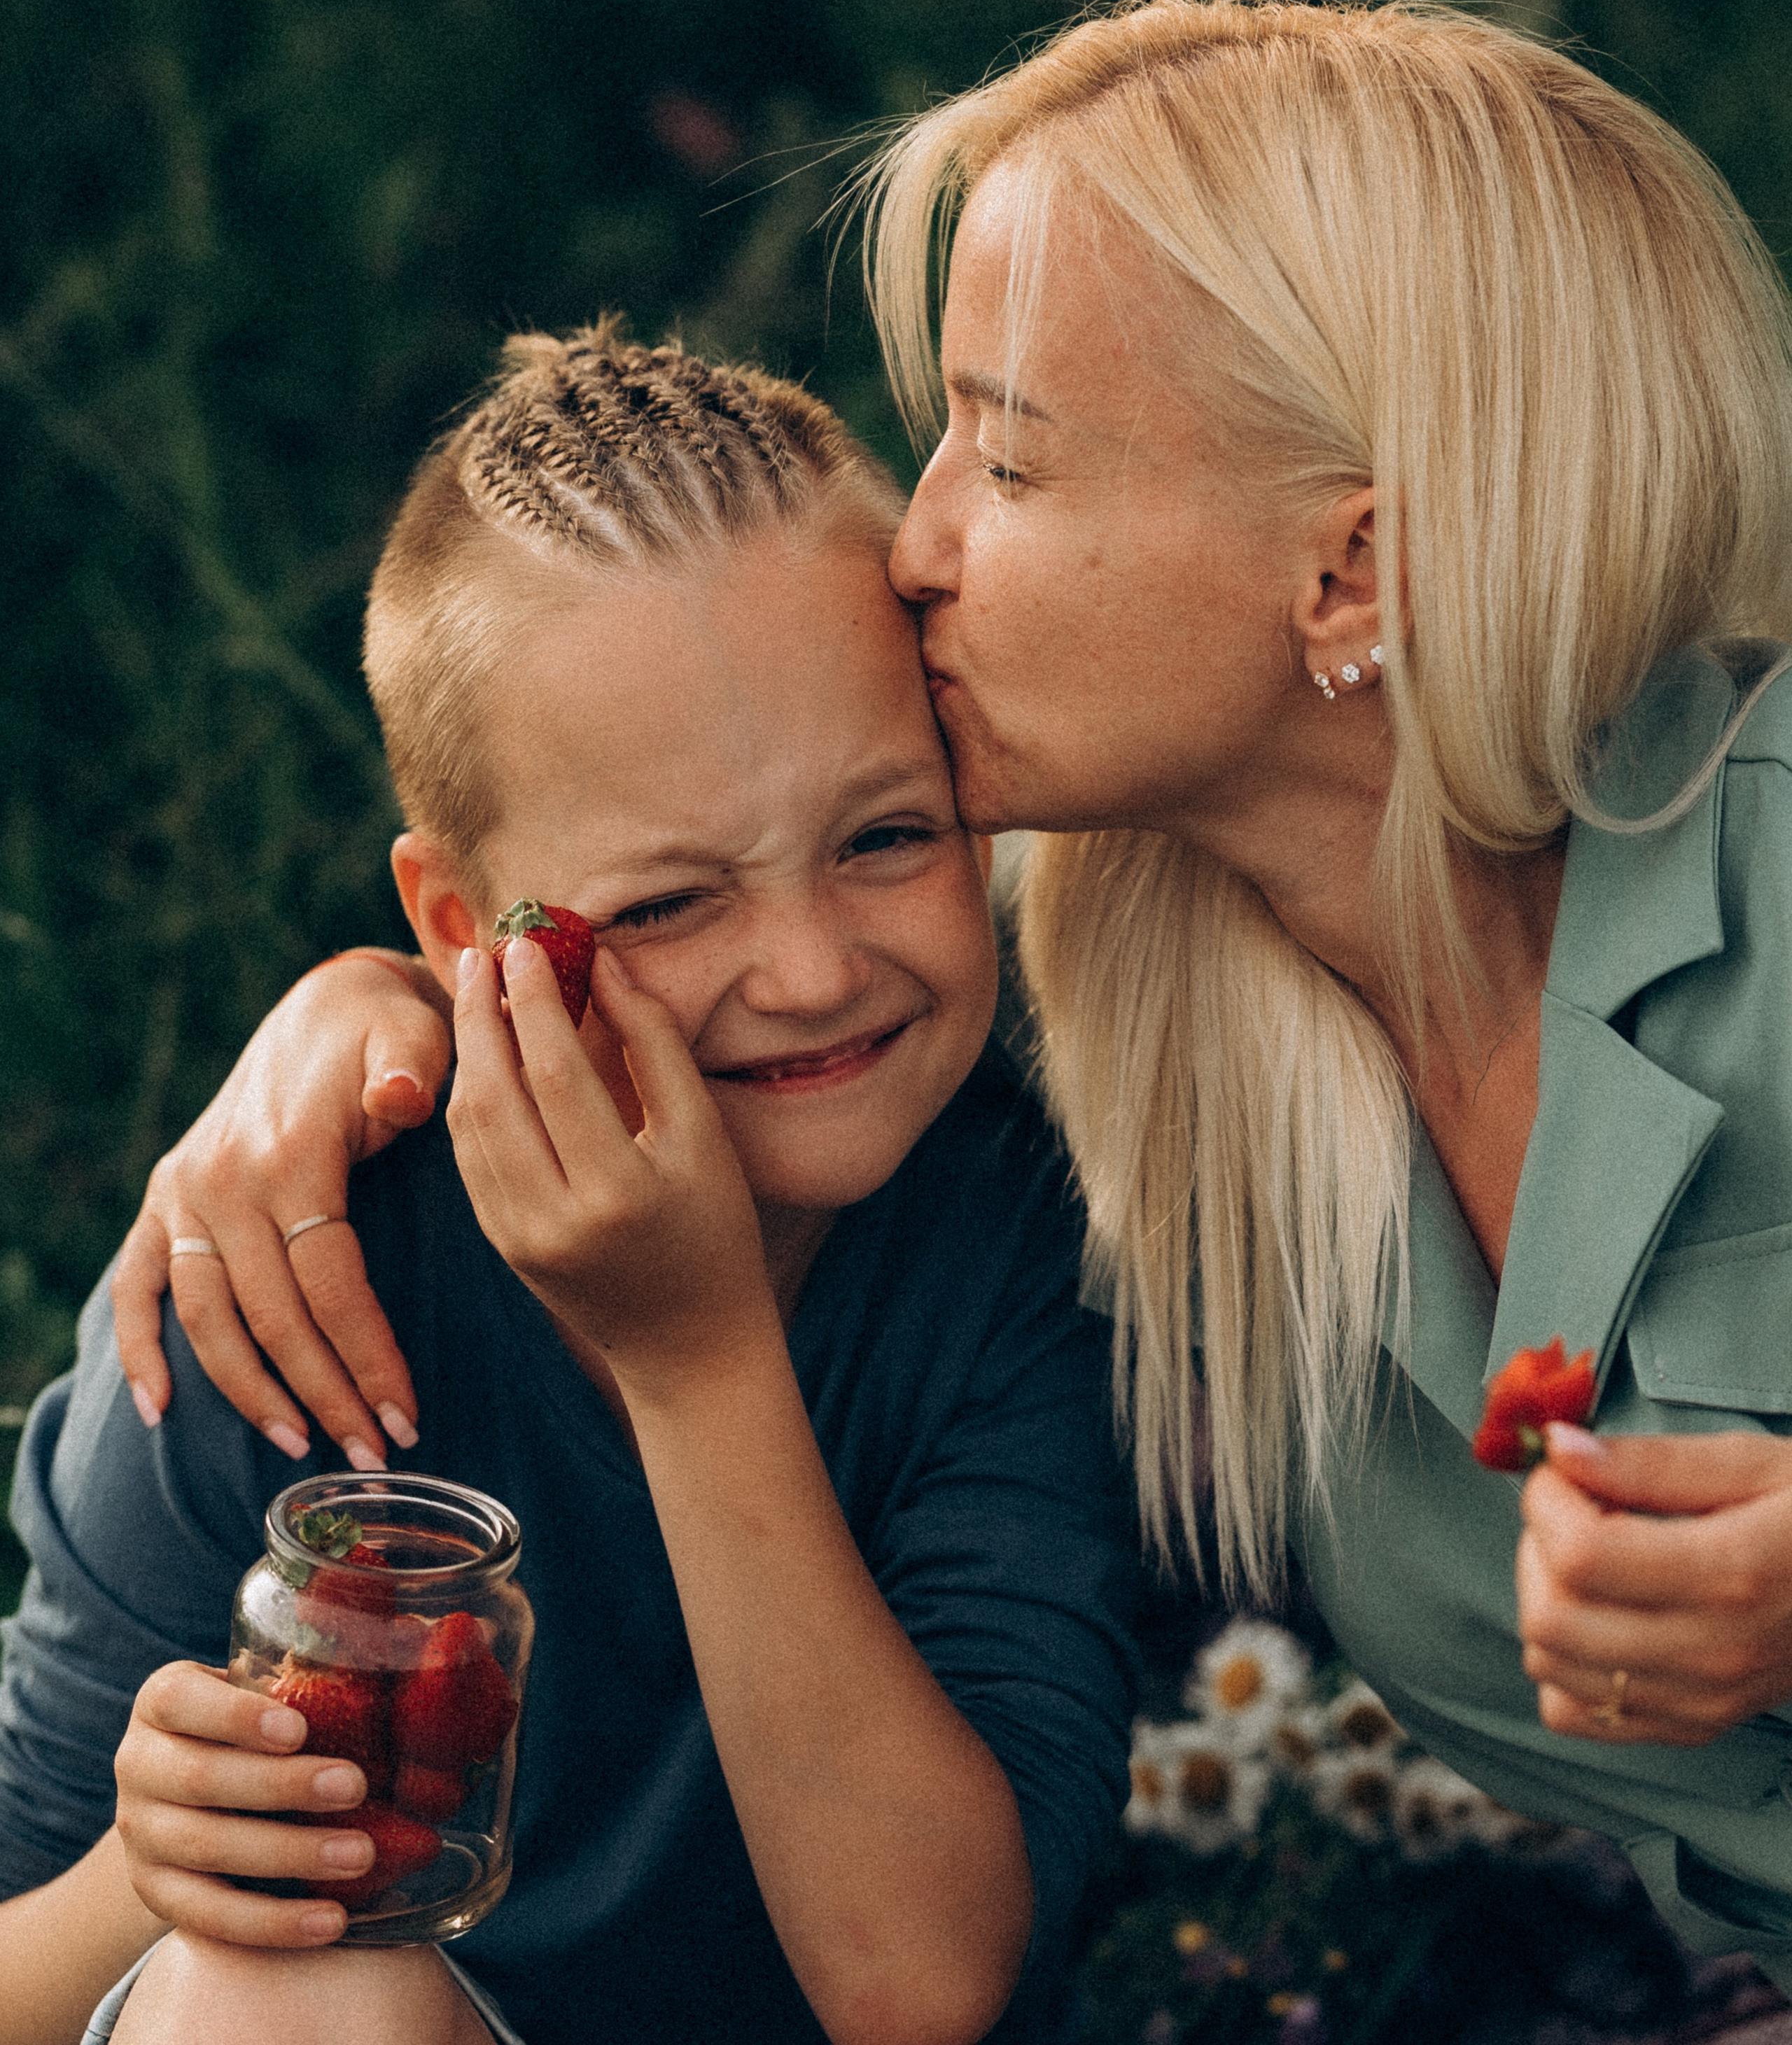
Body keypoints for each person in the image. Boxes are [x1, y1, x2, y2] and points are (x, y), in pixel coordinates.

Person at [113, 0, 1792, 1997]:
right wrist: (361, 1018)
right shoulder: (1140, 1021)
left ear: (1346, 576)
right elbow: (753, 956)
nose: (913, 548)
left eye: (1005, 456)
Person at [0, 328, 1139, 2045]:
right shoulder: (284, 1271)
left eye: (886, 837)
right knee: (284, 1993)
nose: (814, 971)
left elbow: (923, 1987)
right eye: (672, 904)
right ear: (461, 932)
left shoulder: (1001, 1247)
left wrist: (691, 1350)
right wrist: (157, 1873)